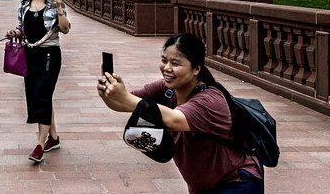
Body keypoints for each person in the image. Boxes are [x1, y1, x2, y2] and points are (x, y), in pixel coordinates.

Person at [97, 33, 264, 194]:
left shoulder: (210, 99)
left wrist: (124, 96)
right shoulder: (166, 89)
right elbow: (123, 104)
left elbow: (175, 120)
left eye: (175, 64)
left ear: (196, 68)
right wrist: (109, 93)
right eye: (164, 61)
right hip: (204, 185)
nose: (167, 68)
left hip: (237, 181)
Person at [4, 0, 70, 163]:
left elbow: (65, 29)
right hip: (30, 55)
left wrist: (59, 8)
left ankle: (39, 145)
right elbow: (21, 29)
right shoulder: (24, 5)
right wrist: (13, 33)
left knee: (41, 95)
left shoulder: (54, 4)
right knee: (39, 96)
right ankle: (54, 138)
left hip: (50, 56)